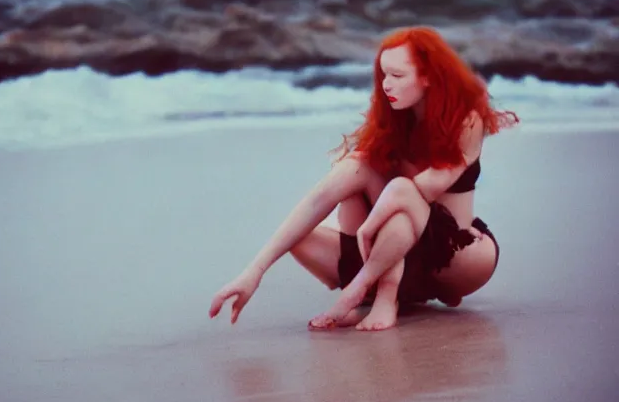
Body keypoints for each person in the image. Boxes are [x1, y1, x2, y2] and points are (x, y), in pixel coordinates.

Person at [208, 25, 519, 332]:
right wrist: (254, 272)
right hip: (398, 252)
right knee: (344, 179)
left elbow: (421, 192)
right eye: (383, 75)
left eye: (397, 76)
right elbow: (318, 200)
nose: (386, 85)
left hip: (455, 256)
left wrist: (368, 227)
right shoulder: (394, 121)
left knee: (401, 193)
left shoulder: (465, 120)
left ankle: (370, 293)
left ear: (428, 77)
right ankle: (385, 292)